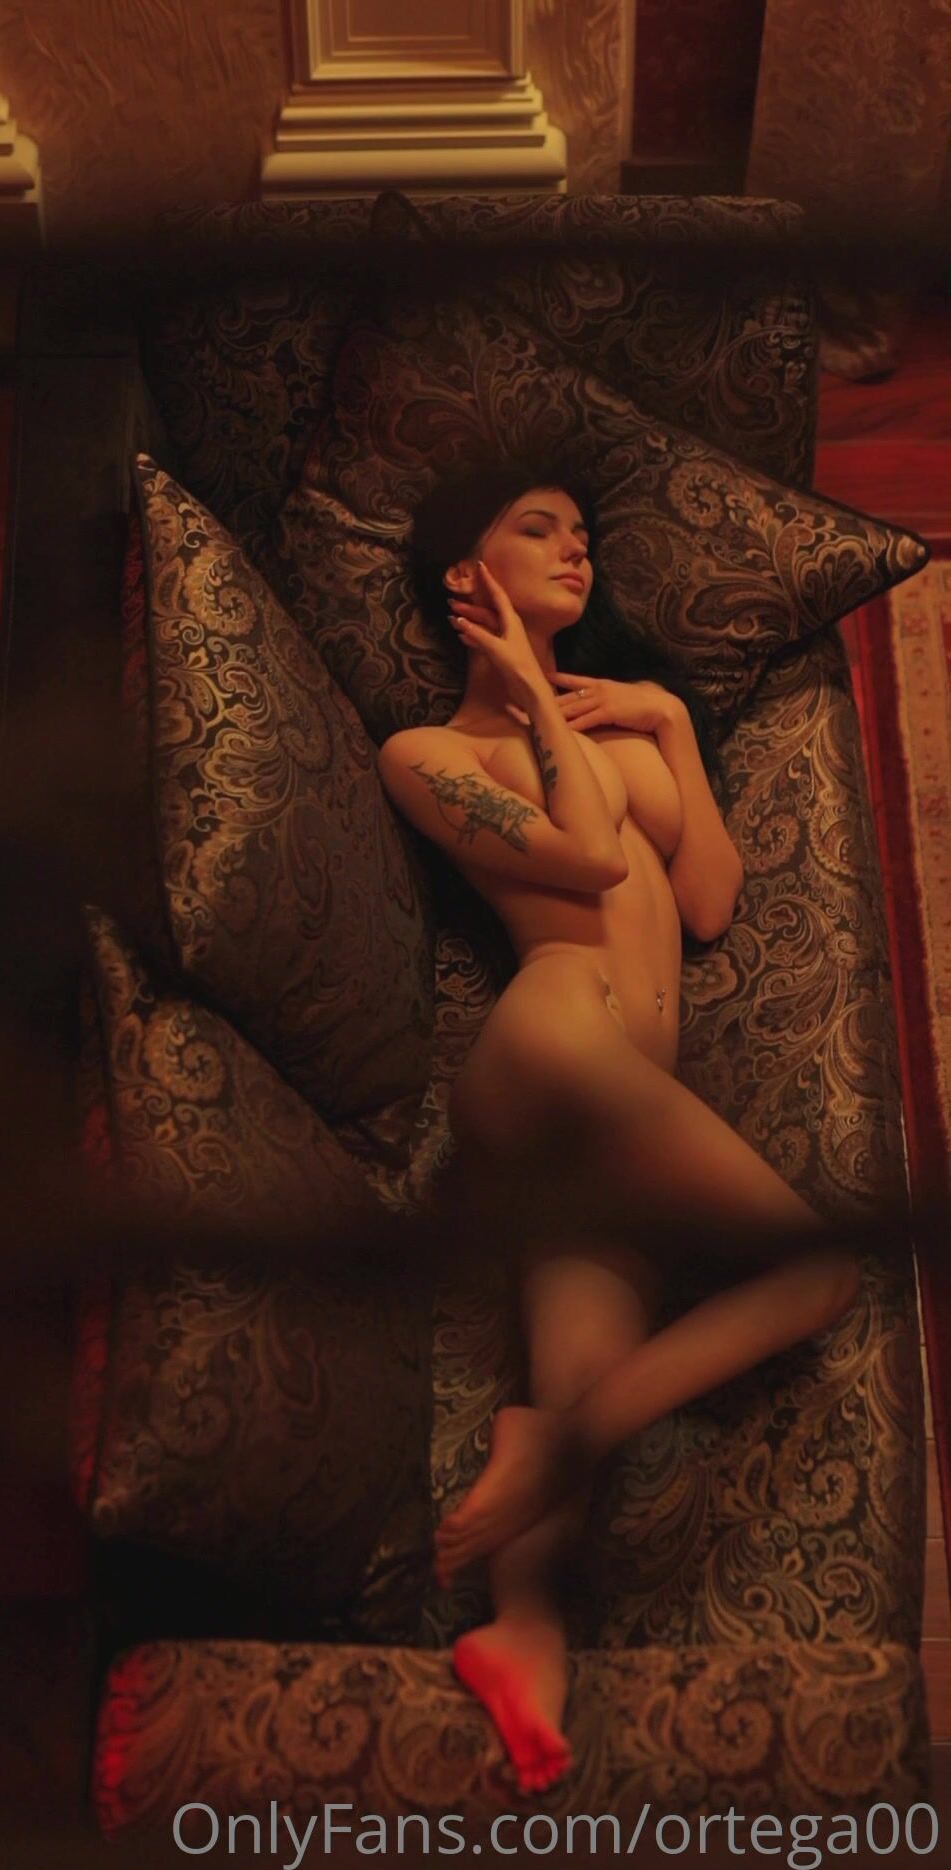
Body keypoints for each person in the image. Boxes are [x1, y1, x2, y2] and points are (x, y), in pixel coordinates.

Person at [376, 461, 862, 1796]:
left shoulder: (628, 726)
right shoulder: (429, 754)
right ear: (466, 577)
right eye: (537, 528)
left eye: (583, 530)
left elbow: (708, 900)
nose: (575, 546)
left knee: (580, 1394)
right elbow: (588, 858)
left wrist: (672, 723)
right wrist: (534, 696)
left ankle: (520, 1631)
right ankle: (558, 1441)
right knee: (821, 1264)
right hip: (551, 1044)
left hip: (611, 1112)